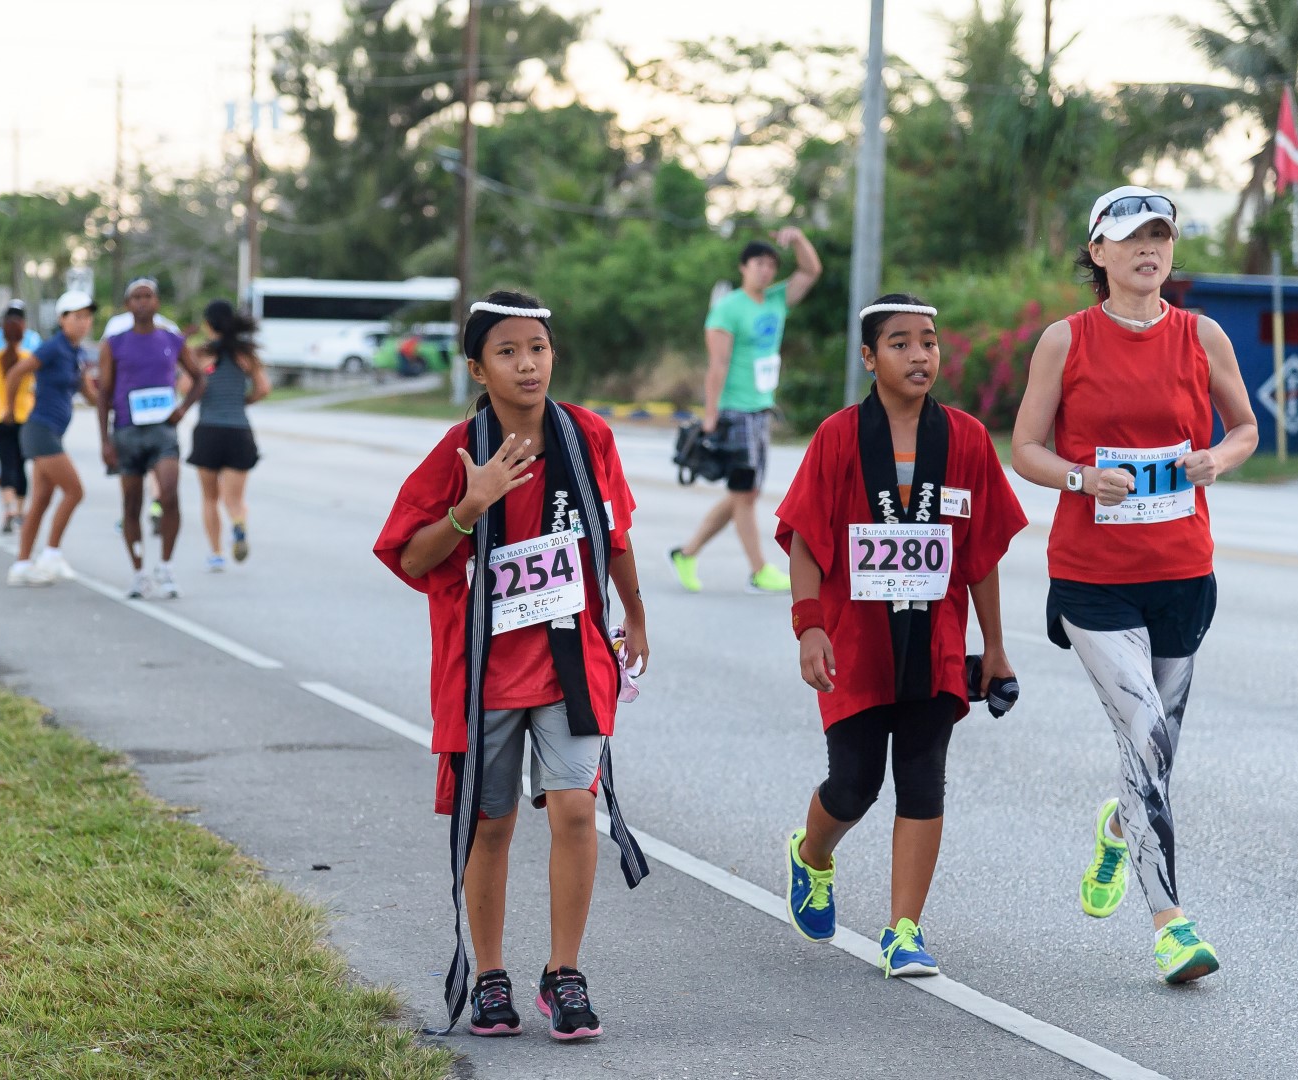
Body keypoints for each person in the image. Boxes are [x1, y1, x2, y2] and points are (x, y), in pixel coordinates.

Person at [374, 290, 651, 1042]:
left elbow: (615, 533)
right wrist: (471, 505)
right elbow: (409, 553)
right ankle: (490, 976)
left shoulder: (587, 435)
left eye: (538, 348)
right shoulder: (459, 449)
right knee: (490, 824)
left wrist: (635, 614)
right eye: (508, 352)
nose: (528, 364)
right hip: (485, 671)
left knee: (573, 808)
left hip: (572, 655)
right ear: (477, 368)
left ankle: (564, 974)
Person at [1011, 186, 1258, 985]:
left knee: (1155, 754)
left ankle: (1121, 824)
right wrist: (1082, 479)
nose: (1149, 249)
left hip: (1183, 572)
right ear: (1098, 253)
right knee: (1146, 735)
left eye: (1160, 236)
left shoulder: (1202, 335)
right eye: (1131, 238)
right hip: (1093, 580)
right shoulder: (1066, 340)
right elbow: (1026, 448)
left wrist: (1218, 459)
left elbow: (1246, 427)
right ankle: (1170, 925)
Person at [775, 294, 1027, 978]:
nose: (920, 355)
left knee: (923, 780)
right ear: (868, 357)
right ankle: (813, 856)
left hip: (937, 643)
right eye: (900, 343)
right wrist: (809, 627)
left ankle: (904, 930)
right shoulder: (837, 437)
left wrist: (995, 645)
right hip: (856, 644)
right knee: (853, 784)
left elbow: (980, 556)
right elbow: (803, 539)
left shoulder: (968, 439)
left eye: (929, 342)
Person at [670, 228, 823, 595]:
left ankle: (687, 554)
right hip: (734, 410)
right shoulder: (728, 309)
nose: (766, 271)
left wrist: (798, 238)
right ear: (743, 267)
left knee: (745, 493)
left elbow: (810, 272)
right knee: (745, 494)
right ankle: (759, 570)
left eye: (771, 264)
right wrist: (710, 416)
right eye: (759, 264)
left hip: (760, 411)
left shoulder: (776, 300)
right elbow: (717, 365)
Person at [97, 278, 204, 599]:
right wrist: (105, 440)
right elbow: (103, 394)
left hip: (162, 431)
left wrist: (182, 409)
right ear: (128, 305)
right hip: (127, 431)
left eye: (148, 297)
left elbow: (199, 378)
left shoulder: (171, 339)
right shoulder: (114, 344)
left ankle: (166, 566)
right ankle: (139, 571)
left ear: (157, 303)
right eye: (136, 297)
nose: (143, 302)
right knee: (132, 503)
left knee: (169, 494)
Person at [3, 291, 98, 585]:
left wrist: (115, 404)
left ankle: (21, 566)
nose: (83, 323)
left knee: (42, 500)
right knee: (75, 491)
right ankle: (51, 554)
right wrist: (9, 409)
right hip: (39, 430)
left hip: (52, 433)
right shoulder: (53, 347)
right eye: (77, 317)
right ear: (62, 319)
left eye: (87, 317)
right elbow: (16, 372)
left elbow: (89, 394)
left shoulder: (76, 353)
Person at [187, 300, 269, 571]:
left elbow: (185, 386)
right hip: (239, 431)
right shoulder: (247, 355)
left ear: (208, 324)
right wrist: (243, 401)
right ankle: (238, 522)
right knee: (234, 499)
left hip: (208, 431)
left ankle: (216, 553)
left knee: (210, 498)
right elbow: (264, 388)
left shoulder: (201, 354)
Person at [0, 320, 35, 534]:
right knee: (20, 466)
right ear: (23, 336)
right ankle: (20, 511)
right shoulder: (29, 359)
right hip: (24, 419)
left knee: (6, 464)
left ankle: (8, 507)